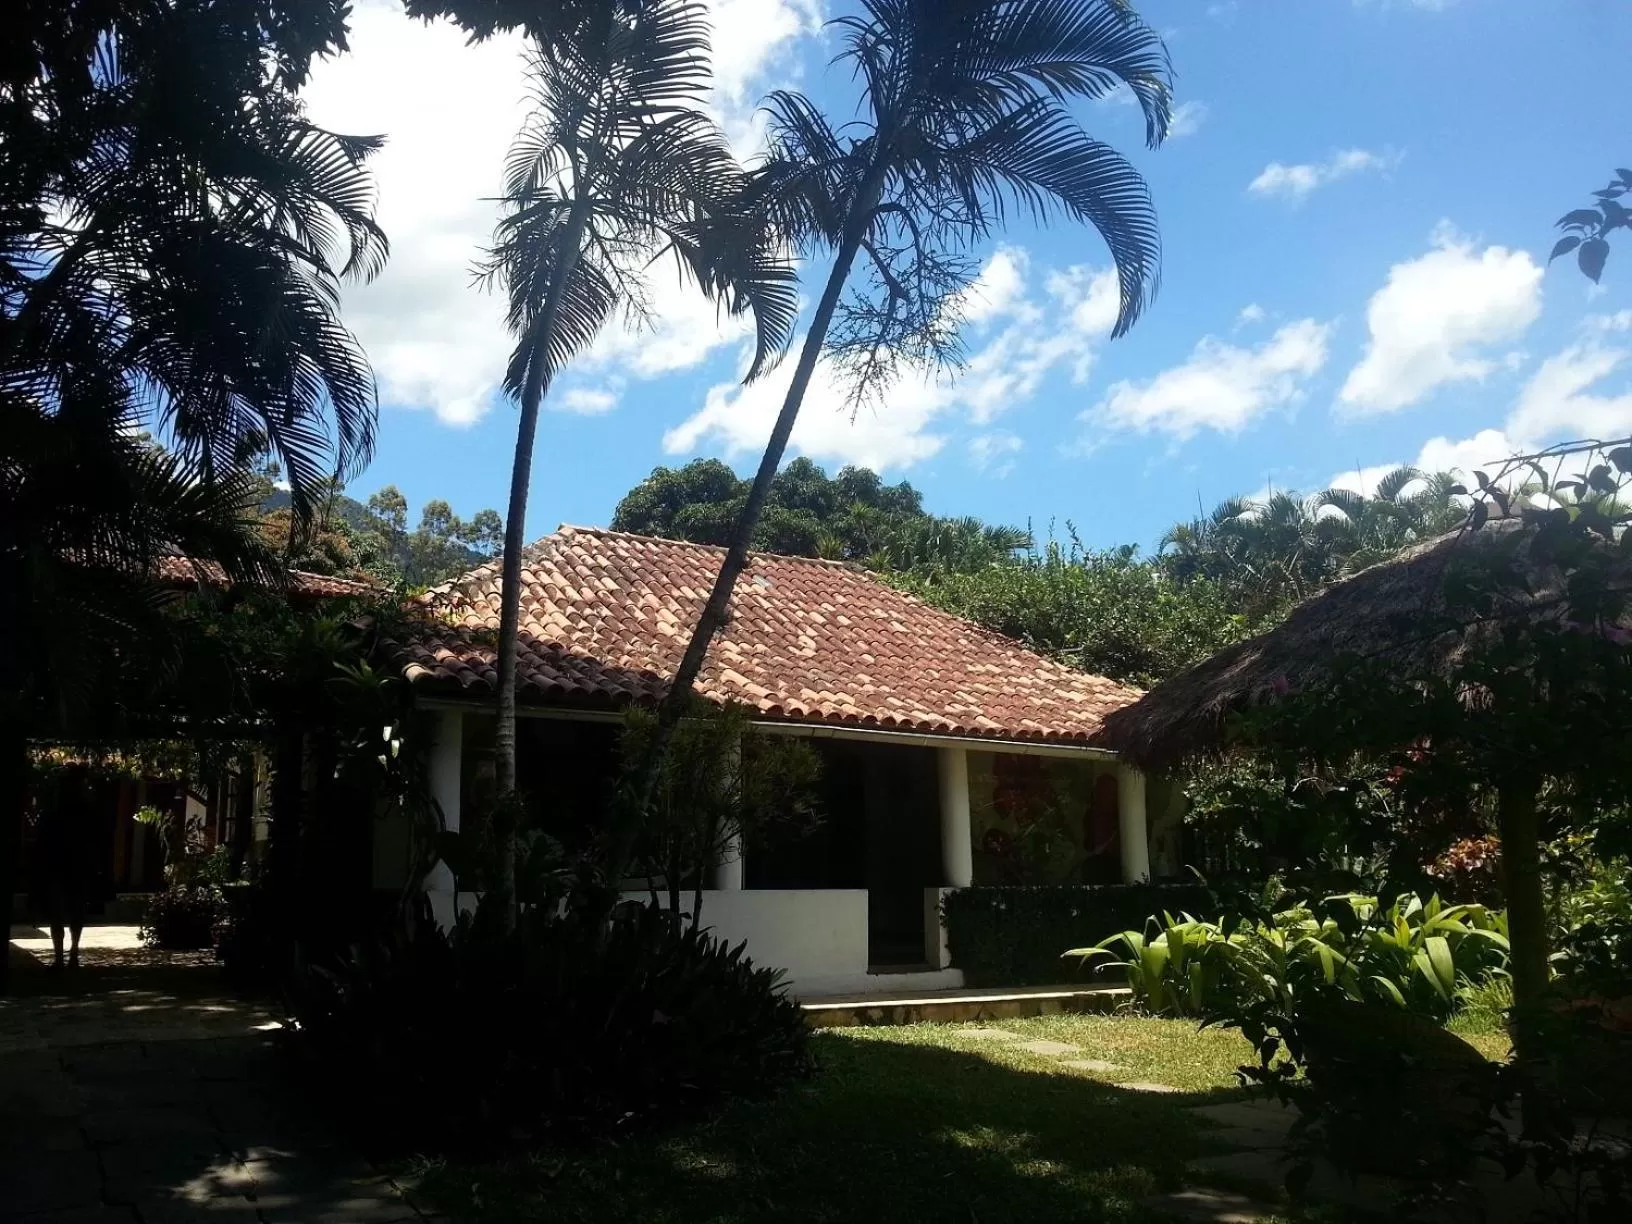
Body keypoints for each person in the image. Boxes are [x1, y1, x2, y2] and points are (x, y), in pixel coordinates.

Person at [38, 768, 93, 970]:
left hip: (63, 865)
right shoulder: (82, 810)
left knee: (61, 912)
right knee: (71, 912)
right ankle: (70, 955)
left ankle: (65, 956)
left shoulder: (57, 810)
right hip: (71, 865)